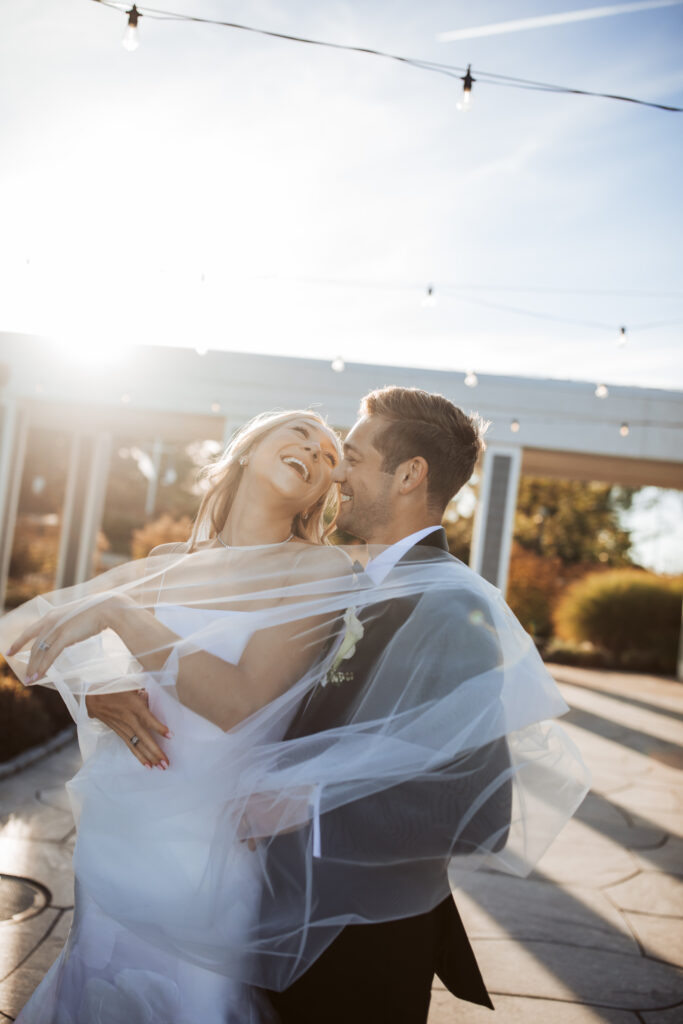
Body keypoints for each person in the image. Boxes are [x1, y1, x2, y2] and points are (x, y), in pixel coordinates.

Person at [2, 409, 349, 1024]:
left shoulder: (318, 568)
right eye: (300, 434)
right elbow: (38, 644)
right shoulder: (169, 558)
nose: (316, 453)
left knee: (194, 1001)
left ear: (320, 495)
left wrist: (119, 613)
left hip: (210, 843)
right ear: (248, 449)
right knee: (95, 980)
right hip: (118, 823)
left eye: (329, 458)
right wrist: (99, 692)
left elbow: (238, 702)